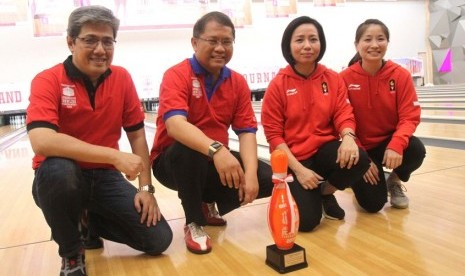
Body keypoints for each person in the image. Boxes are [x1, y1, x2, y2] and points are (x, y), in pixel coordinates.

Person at [27, 6, 173, 276]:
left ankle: (86, 222)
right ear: (71, 42)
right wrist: (113, 156)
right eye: (90, 40)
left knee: (158, 239)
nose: (100, 49)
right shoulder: (48, 80)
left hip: (104, 179)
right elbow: (42, 141)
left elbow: (137, 135)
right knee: (60, 171)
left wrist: (146, 189)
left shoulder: (122, 78)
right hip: (60, 178)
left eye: (107, 41)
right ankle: (72, 253)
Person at [150, 11, 273, 254]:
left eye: (226, 42)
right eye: (212, 41)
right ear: (195, 43)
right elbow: (175, 125)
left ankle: (206, 202)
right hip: (172, 162)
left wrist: (250, 174)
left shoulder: (237, 82)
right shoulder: (176, 75)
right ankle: (194, 221)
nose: (220, 48)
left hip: (212, 162)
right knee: (189, 150)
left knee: (265, 176)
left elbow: (247, 131)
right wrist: (217, 150)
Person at [261, 16, 371, 232]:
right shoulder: (278, 85)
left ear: (321, 44)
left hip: (323, 152)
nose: (307, 46)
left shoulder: (331, 78)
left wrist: (348, 137)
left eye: (313, 39)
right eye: (299, 40)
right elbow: (274, 136)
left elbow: (343, 112)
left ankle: (325, 193)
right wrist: (299, 170)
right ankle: (311, 196)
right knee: (307, 223)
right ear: (289, 45)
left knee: (359, 157)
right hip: (294, 159)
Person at [340, 19, 426, 212]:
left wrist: (396, 144)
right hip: (361, 148)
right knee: (373, 205)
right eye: (367, 39)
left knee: (416, 149)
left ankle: (394, 180)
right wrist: (362, 158)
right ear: (357, 45)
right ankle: (359, 182)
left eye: (380, 39)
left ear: (387, 43)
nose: (374, 45)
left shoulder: (400, 75)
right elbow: (343, 119)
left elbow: (409, 116)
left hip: (388, 143)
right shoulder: (344, 78)